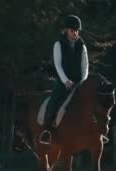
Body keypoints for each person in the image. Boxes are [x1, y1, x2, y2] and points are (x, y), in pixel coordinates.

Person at [39, 14, 89, 144]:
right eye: (73, 30)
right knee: (54, 100)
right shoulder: (58, 44)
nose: (75, 33)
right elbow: (58, 65)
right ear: (66, 30)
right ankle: (47, 130)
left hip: (78, 82)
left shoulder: (82, 46)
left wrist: (82, 81)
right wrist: (66, 81)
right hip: (63, 81)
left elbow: (85, 66)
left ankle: (96, 131)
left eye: (77, 30)